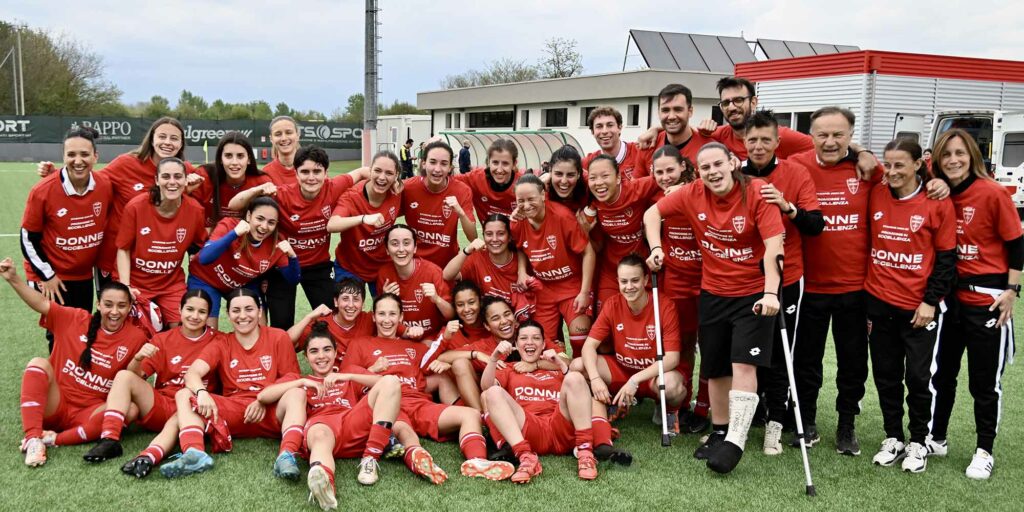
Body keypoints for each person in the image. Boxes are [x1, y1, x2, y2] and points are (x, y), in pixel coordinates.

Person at [644, 142, 784, 474]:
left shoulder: (757, 192)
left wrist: (770, 292)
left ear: (733, 162)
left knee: (743, 364)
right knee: (716, 366)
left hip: (753, 293)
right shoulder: (692, 193)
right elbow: (652, 214)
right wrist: (656, 247)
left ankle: (736, 438)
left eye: (718, 164)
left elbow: (774, 247)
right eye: (705, 167)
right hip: (713, 292)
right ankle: (720, 431)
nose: (713, 172)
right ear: (698, 172)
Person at [256, 323, 447, 508]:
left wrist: (346, 376)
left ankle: (369, 459)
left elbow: (385, 383)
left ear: (335, 352)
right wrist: (303, 382)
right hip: (321, 428)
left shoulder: (348, 374)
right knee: (320, 434)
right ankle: (323, 480)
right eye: (314, 351)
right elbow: (263, 396)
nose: (321, 356)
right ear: (306, 356)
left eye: (327, 350)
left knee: (391, 382)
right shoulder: (299, 379)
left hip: (352, 425)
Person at [928, 129, 1023, 479]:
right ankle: (937, 438)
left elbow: (1017, 244)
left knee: (983, 382)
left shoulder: (992, 192)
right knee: (942, 375)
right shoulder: (937, 191)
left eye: (960, 153)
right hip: (949, 300)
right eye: (946, 154)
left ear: (973, 156)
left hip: (987, 300)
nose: (953, 160)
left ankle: (984, 450)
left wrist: (1012, 290)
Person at [341, 293, 516, 480]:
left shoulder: (414, 347)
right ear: (374, 317)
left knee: (471, 414)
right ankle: (418, 457)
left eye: (392, 314)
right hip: (387, 406)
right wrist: (372, 370)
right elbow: (345, 380)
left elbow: (433, 359)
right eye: (382, 314)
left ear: (401, 317)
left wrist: (444, 361)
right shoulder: (360, 344)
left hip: (418, 402)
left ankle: (477, 462)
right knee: (404, 430)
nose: (387, 320)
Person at [2, 258, 150, 467]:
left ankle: (54, 439)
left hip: (90, 414)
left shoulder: (136, 337)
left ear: (129, 308)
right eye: (108, 305)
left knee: (131, 409)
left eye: (121, 306)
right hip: (55, 405)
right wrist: (13, 279)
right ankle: (33, 438)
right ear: (98, 304)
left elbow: (134, 380)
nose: (114, 312)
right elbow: (41, 304)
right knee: (37, 363)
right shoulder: (75, 318)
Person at [865, 138, 955, 473]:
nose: (891, 171)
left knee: (918, 378)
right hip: (879, 303)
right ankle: (894, 437)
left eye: (899, 164)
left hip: (919, 309)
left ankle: (919, 440)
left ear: (918, 164)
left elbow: (946, 260)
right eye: (887, 164)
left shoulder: (936, 201)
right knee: (886, 375)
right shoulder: (876, 191)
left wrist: (930, 301)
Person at [739, 110, 824, 454]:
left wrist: (787, 207)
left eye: (765, 140)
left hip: (787, 278)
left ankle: (776, 421)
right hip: (744, 279)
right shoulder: (734, 174)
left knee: (779, 353)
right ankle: (748, 416)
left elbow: (816, 225)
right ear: (744, 142)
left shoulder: (795, 172)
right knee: (747, 351)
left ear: (777, 141)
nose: (758, 146)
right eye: (752, 140)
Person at [159, 288, 305, 479]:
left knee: (297, 393)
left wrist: (263, 399)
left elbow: (292, 377)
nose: (242, 316)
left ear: (259, 311)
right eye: (236, 310)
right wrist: (202, 392)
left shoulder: (278, 337)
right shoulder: (222, 342)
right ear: (228, 315)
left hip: (271, 409)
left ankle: (287, 455)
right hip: (234, 412)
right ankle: (194, 453)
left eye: (249, 309)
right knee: (184, 394)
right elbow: (192, 373)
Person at [35, 118, 197, 282]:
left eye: (174, 138)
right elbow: (91, 181)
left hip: (153, 265)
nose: (167, 142)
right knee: (114, 300)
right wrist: (57, 173)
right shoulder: (126, 163)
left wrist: (188, 190)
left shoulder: (187, 173)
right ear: (151, 138)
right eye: (162, 136)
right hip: (113, 259)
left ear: (181, 144)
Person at [81, 290, 219, 472]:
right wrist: (137, 358)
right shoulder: (163, 339)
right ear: (179, 310)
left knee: (183, 404)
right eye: (190, 309)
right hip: (163, 405)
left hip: (195, 410)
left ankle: (148, 457)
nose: (194, 316)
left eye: (201, 312)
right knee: (124, 376)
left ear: (208, 315)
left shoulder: (218, 339)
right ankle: (109, 439)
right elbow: (136, 377)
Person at [229, 145, 366, 329]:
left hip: (318, 266)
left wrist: (395, 181)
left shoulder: (333, 187)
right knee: (281, 324)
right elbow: (234, 205)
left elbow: (362, 172)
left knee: (332, 317)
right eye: (305, 172)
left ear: (326, 173)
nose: (311, 177)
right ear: (296, 173)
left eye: (317, 171)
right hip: (283, 266)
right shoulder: (282, 194)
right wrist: (258, 190)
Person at [21, 127, 113, 344]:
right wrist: (47, 276)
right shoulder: (43, 190)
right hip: (52, 274)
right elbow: (27, 238)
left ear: (95, 157)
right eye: (71, 154)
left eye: (84, 154)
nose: (78, 161)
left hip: (83, 274)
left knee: (81, 326)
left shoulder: (105, 185)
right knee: (59, 330)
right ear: (63, 157)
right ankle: (57, 366)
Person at [575, 255, 688, 428]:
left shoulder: (664, 306)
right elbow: (589, 346)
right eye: (624, 281)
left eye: (635, 280)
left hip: (653, 375)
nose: (629, 287)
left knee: (672, 386)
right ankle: (612, 403)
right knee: (578, 366)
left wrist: (635, 380)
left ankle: (667, 410)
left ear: (645, 280)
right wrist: (596, 379)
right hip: (622, 370)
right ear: (618, 282)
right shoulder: (613, 304)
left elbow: (672, 359)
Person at [481, 320, 599, 483]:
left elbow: (578, 389)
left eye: (536, 338)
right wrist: (494, 358)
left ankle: (585, 452)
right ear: (516, 344)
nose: (529, 342)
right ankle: (526, 457)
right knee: (493, 392)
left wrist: (559, 364)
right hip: (530, 427)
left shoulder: (556, 366)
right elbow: (486, 387)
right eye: (523, 338)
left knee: (575, 377)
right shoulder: (509, 368)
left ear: (543, 344)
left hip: (561, 425)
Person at [649, 146, 709, 434]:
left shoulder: (702, 190)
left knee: (710, 346)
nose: (665, 177)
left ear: (684, 167)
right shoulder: (657, 199)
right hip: (676, 282)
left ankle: (704, 407)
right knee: (682, 346)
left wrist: (685, 191)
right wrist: (656, 249)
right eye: (659, 172)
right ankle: (680, 402)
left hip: (709, 281)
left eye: (670, 170)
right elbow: (650, 219)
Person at [116, 157, 207, 329]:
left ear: (185, 180)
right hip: (136, 282)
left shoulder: (195, 210)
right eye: (166, 176)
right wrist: (125, 286)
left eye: (177, 176)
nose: (172, 182)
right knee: (137, 331)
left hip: (171, 284)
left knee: (184, 327)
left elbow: (200, 247)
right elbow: (123, 249)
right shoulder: (136, 207)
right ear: (157, 180)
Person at [511, 174, 596, 354]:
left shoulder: (562, 216)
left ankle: (581, 369)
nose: (526, 205)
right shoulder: (517, 223)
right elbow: (520, 247)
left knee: (580, 335)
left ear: (543, 195)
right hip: (543, 289)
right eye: (521, 201)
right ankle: (559, 369)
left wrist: (584, 292)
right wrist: (521, 271)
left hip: (571, 286)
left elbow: (588, 252)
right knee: (542, 343)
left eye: (531, 199)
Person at [187, 197, 300, 328]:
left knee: (259, 328)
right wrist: (234, 234)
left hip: (242, 284)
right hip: (205, 280)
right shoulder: (230, 225)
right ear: (249, 216)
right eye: (260, 219)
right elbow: (204, 258)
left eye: (271, 222)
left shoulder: (276, 243)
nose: (264, 226)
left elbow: (293, 279)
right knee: (207, 330)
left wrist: (292, 257)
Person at [583, 154, 661, 308]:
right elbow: (597, 247)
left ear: (618, 177)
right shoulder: (592, 202)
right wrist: (585, 232)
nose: (599, 183)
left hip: (641, 269)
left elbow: (664, 178)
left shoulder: (635, 189)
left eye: (605, 176)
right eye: (593, 178)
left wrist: (679, 187)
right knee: (606, 314)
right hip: (611, 271)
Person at [328, 150, 404, 296]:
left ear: (396, 176)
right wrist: (363, 218)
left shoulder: (397, 193)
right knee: (348, 307)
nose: (382, 177)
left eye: (389, 173)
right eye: (377, 171)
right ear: (370, 171)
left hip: (382, 265)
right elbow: (332, 224)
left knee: (386, 306)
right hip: (350, 267)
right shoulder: (352, 196)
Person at [401, 140, 477, 269]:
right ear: (423, 163)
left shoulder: (462, 190)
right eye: (432, 162)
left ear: (450, 168)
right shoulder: (408, 188)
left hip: (447, 266)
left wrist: (460, 213)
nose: (437, 169)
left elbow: (473, 237)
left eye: (444, 164)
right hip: (414, 266)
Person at [443, 214, 536, 318]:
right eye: (489, 234)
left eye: (501, 234)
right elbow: (447, 275)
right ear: (483, 236)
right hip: (489, 321)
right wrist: (467, 250)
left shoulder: (523, 262)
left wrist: (522, 272)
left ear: (510, 237)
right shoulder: (477, 257)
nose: (494, 239)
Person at [377, 224, 454, 337]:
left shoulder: (432, 272)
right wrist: (385, 299)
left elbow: (451, 315)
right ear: (387, 250)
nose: (401, 249)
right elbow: (381, 320)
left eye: (406, 243)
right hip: (401, 337)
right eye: (394, 244)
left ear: (415, 248)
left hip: (430, 338)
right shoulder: (384, 274)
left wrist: (437, 299)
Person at [192, 132, 272, 227]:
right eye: (228, 156)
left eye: (240, 156)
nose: (234, 162)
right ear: (220, 159)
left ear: (249, 159)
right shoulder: (204, 177)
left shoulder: (262, 182)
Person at [636, 84, 715, 169]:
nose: (671, 116)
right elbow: (637, 178)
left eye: (678, 110)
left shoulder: (709, 149)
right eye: (665, 110)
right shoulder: (648, 145)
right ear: (658, 112)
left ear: (690, 111)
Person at [454, 139, 522, 220]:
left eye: (505, 163)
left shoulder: (523, 183)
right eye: (495, 163)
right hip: (488, 228)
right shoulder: (476, 178)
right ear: (488, 162)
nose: (499, 170)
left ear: (514, 164)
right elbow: (449, 180)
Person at [582, 106, 647, 179]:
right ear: (592, 131)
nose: (604, 131)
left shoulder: (640, 151)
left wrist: (655, 129)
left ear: (620, 127)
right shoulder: (586, 164)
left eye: (610, 125)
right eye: (599, 126)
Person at [543, 146, 591, 214]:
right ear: (550, 171)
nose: (564, 181)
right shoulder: (541, 194)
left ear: (578, 174)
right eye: (559, 174)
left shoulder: (589, 186)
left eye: (570, 175)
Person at [263, 116, 301, 187]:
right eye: (278, 134)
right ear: (271, 139)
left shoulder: (312, 170)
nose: (284, 138)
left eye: (289, 133)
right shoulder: (265, 173)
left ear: (298, 135)